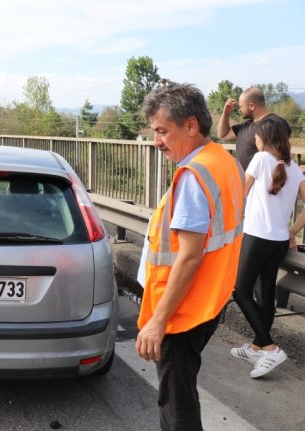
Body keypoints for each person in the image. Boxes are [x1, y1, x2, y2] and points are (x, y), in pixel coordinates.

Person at [135, 83, 244, 430]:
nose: (157, 141)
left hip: (183, 310)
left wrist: (158, 321)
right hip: (210, 299)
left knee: (176, 402)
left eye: (163, 131)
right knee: (181, 391)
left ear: (191, 125)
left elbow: (189, 257)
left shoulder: (194, 176)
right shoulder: (224, 161)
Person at [231, 118, 305, 378]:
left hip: (256, 236)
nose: (255, 140)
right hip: (278, 241)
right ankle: (256, 346)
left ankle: (270, 348)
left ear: (266, 138)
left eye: (258, 136)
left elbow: (239, 193)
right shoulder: (294, 168)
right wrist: (292, 231)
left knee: (239, 291)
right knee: (264, 295)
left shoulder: (261, 159)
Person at [218, 87, 291, 170]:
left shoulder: (276, 124)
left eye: (241, 106)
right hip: (244, 181)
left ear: (251, 106)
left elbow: (279, 155)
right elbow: (223, 135)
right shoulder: (245, 126)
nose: (239, 110)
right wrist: (226, 113)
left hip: (264, 182)